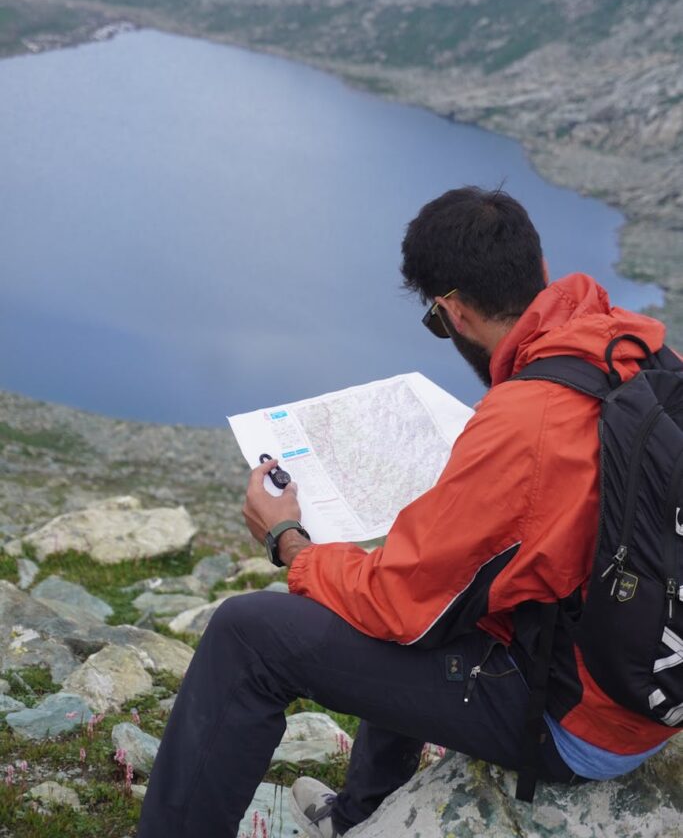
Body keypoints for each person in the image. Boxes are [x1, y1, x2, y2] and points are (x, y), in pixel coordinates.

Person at [137, 187, 676, 838]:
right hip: (640, 684)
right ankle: (361, 817)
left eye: (436, 319)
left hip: (575, 723)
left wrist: (288, 541)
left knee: (249, 633)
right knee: (430, 574)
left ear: (451, 310)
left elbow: (398, 607)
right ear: (538, 267)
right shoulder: (628, 344)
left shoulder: (527, 423)